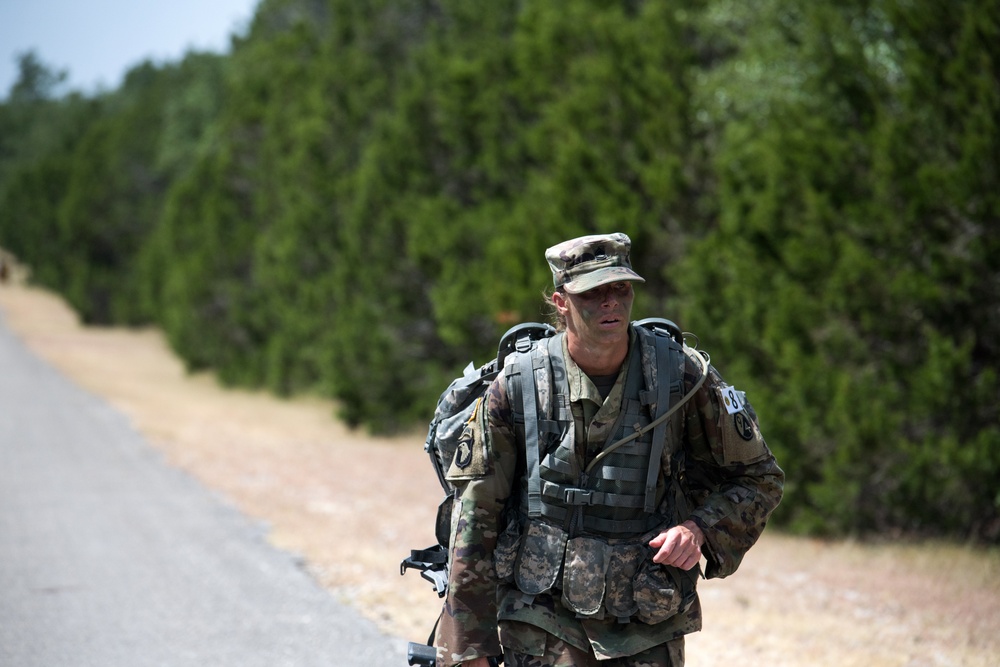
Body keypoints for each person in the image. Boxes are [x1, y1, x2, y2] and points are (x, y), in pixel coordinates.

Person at [435, 232, 784, 667]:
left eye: (620, 288)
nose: (611, 303)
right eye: (593, 293)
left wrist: (699, 529)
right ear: (561, 301)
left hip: (644, 619)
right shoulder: (519, 383)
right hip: (540, 618)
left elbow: (759, 479)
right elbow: (475, 516)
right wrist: (468, 647)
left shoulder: (681, 376)